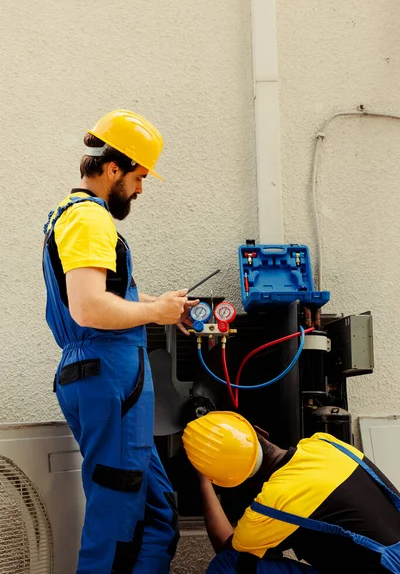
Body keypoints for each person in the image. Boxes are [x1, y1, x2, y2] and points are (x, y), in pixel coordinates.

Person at [42, 109, 199, 574]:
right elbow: (89, 308)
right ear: (114, 168)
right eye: (139, 176)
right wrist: (155, 313)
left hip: (109, 376)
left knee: (156, 514)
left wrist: (164, 306)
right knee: (118, 526)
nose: (140, 189)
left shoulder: (73, 217)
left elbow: (108, 296)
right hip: (108, 376)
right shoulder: (90, 220)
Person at [182, 411, 400, 574]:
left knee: (228, 565)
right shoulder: (325, 444)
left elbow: (226, 549)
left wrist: (204, 481)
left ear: (231, 481)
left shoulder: (271, 505)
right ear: (260, 432)